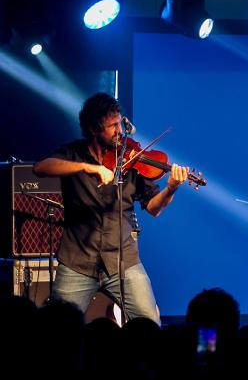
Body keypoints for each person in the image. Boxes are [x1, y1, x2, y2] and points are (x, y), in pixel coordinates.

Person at [33, 92, 189, 326]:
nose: (120, 131)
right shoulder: (73, 153)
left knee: (149, 324)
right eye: (113, 126)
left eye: (120, 123)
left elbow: (154, 208)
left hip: (123, 261)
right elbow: (41, 168)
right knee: (59, 330)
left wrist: (172, 188)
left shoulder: (131, 159)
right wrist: (88, 168)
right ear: (94, 129)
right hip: (77, 260)